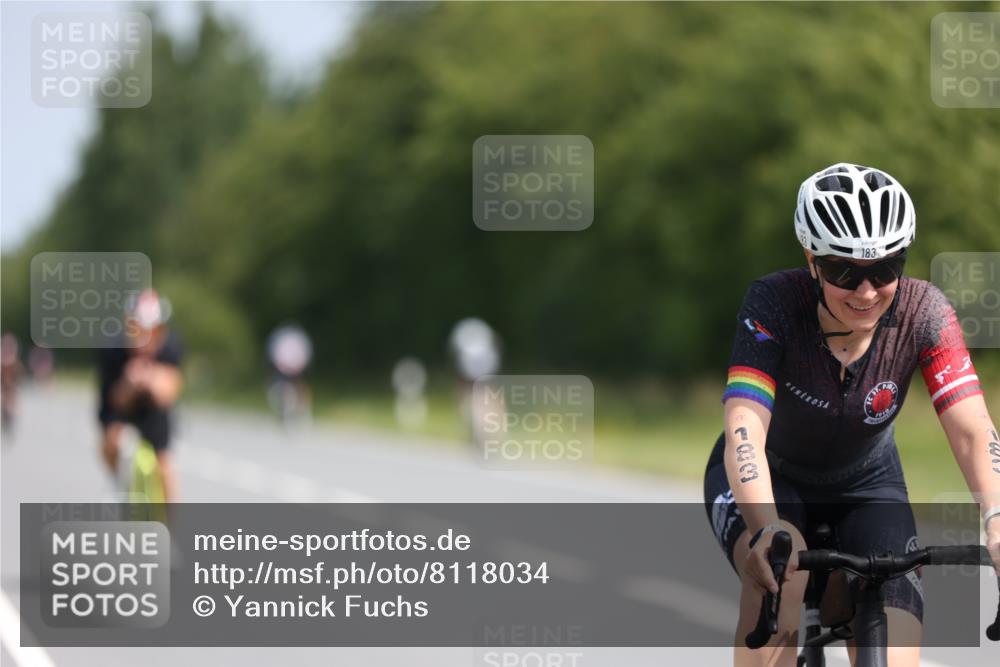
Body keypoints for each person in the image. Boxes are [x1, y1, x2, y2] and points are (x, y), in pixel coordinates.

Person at [703, 163, 1000, 667]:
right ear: (811, 259)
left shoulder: (924, 313)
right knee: (781, 576)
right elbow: (745, 429)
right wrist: (765, 524)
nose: (866, 292)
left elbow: (974, 432)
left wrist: (996, 519)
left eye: (885, 269)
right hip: (772, 478)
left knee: (897, 629)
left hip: (868, 484)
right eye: (845, 271)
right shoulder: (775, 302)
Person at [97, 289, 183, 503]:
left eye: (153, 331)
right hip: (119, 406)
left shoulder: (170, 347)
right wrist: (129, 384)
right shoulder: (112, 349)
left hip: (153, 408)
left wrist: (151, 380)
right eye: (138, 330)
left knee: (164, 465)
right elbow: (114, 400)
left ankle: (171, 526)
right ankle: (119, 482)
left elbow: (170, 393)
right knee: (110, 440)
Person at [1, 333, 25, 434]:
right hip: (5, 387)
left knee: (11, 404)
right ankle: (6, 418)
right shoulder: (3, 364)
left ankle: (10, 418)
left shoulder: (16, 365)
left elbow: (19, 379)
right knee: (5, 404)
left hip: (11, 388)